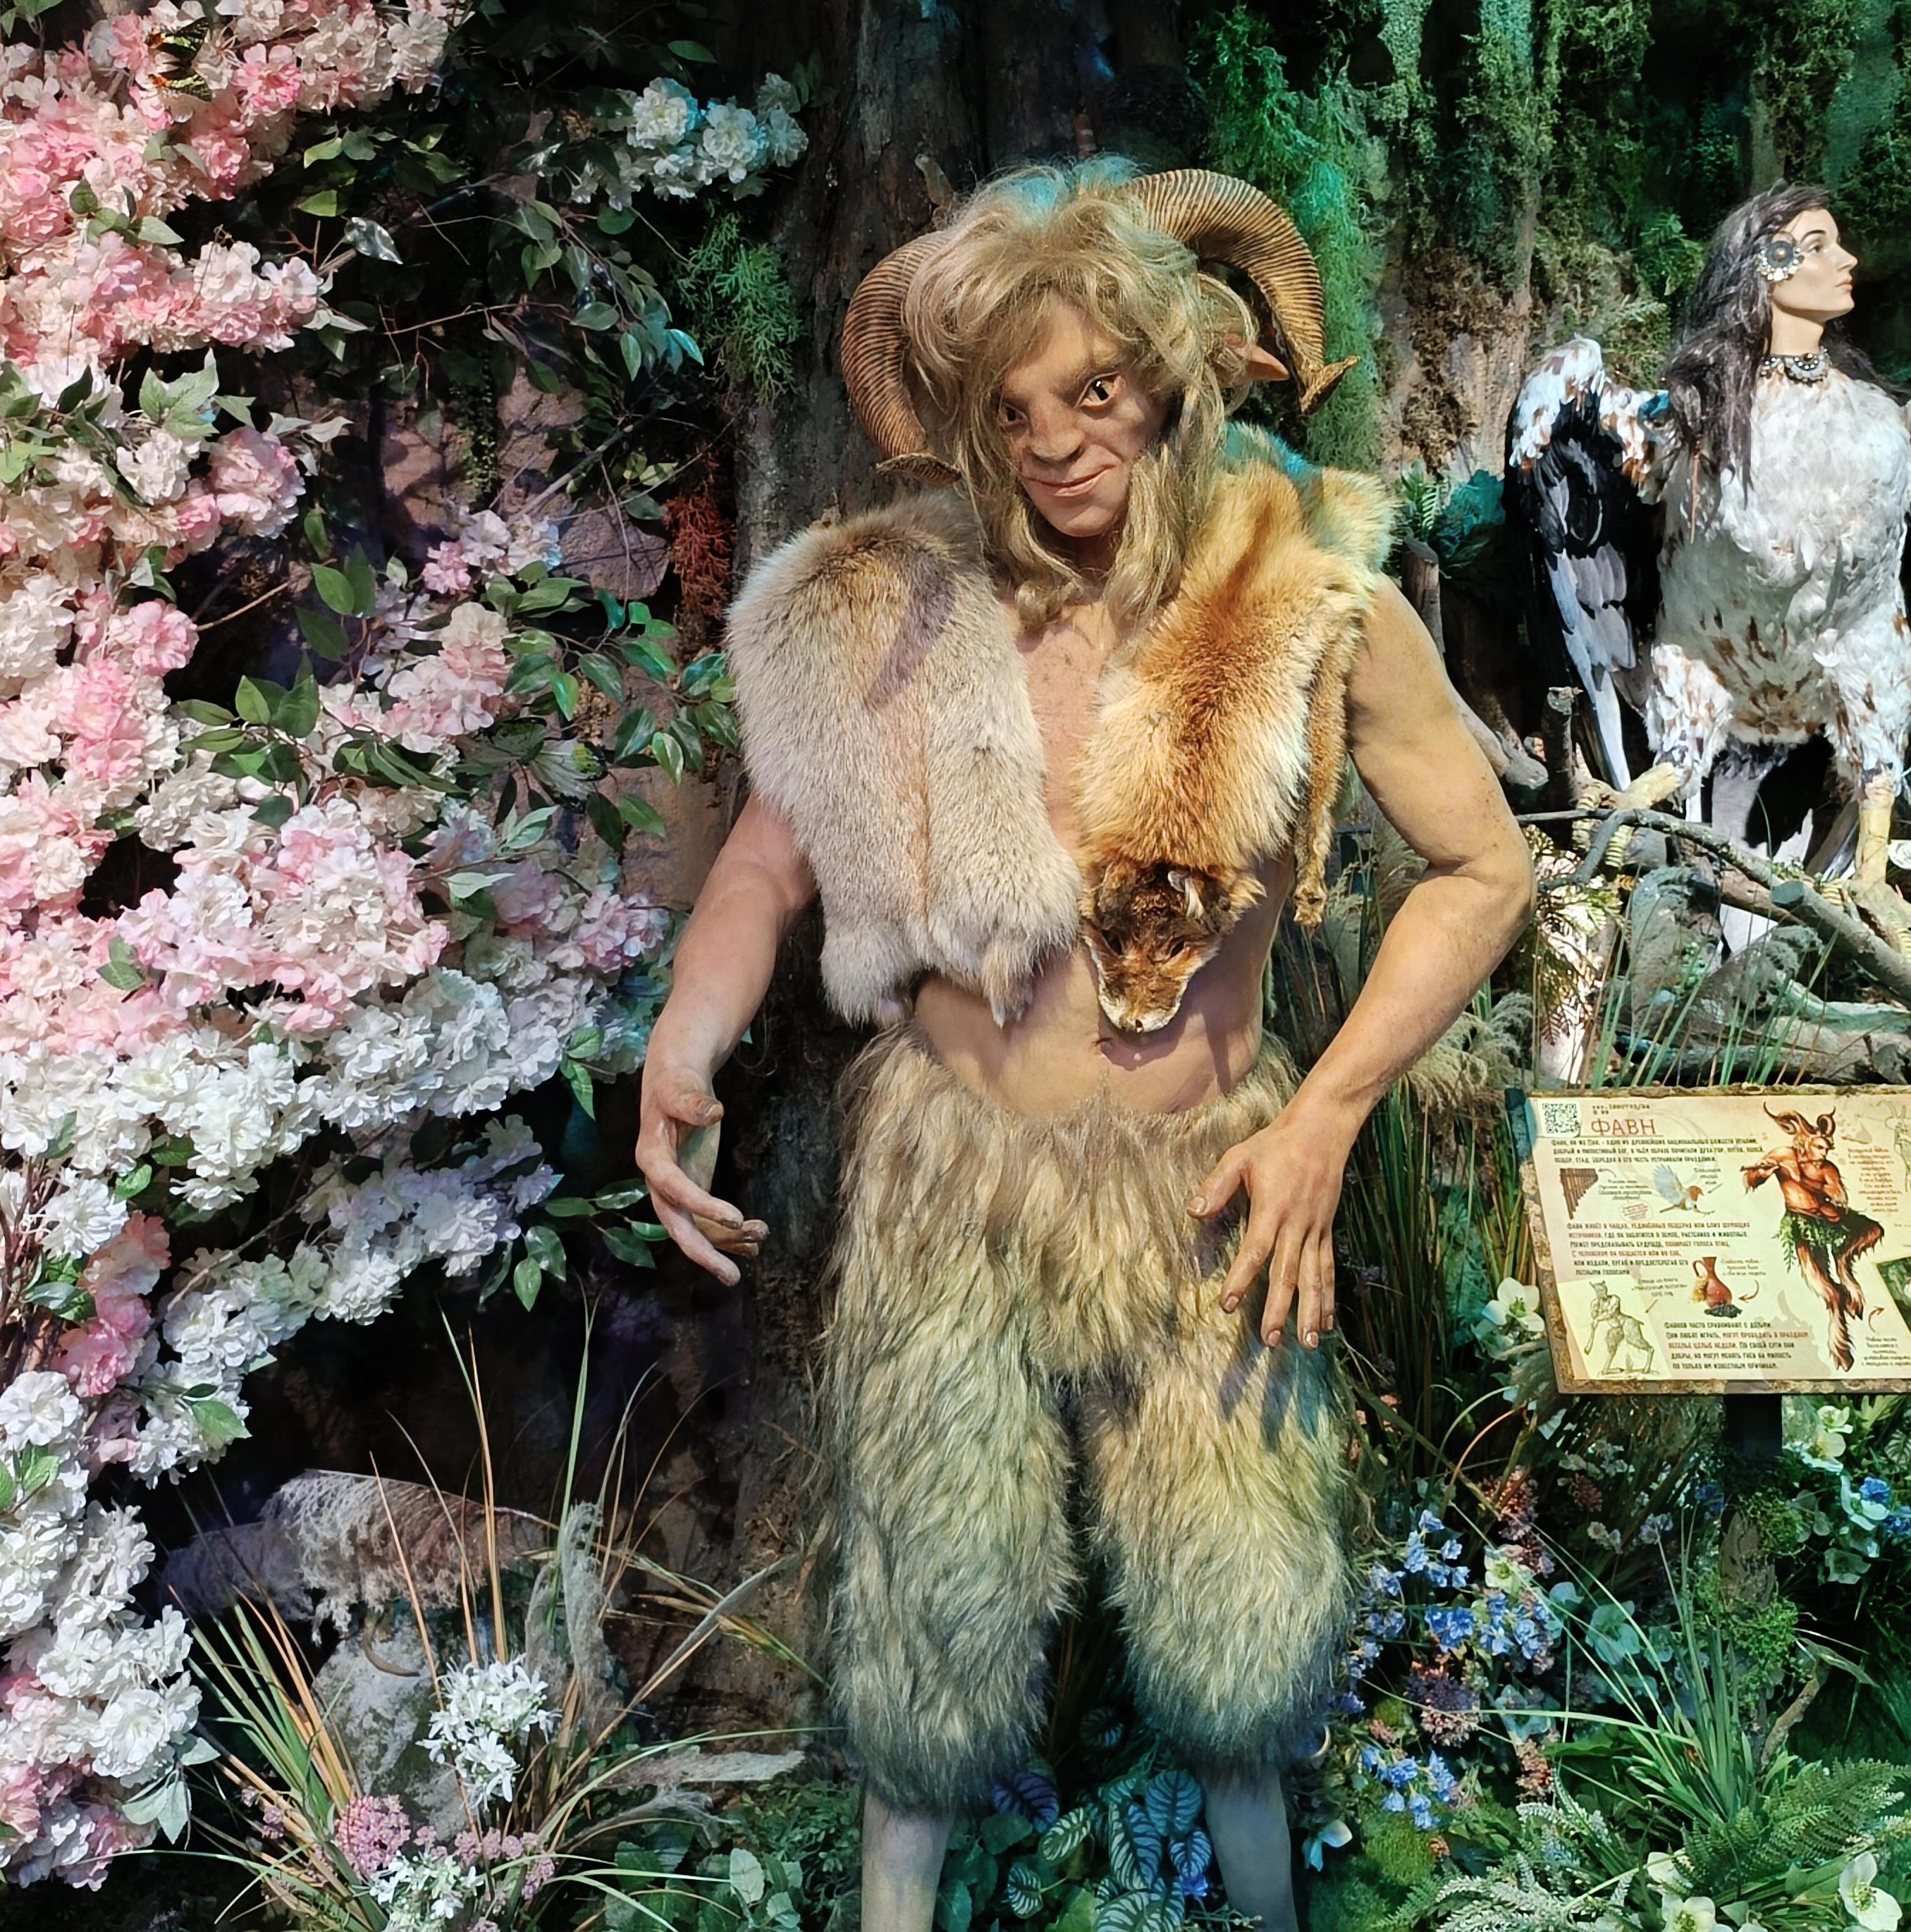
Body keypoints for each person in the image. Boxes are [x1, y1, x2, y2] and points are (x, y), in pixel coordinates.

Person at [633, 162, 1534, 1932]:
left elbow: (1484, 868)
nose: (1054, 444)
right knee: (931, 1606)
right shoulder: (888, 613)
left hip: (1211, 1184)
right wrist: (690, 1030)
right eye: (1011, 408)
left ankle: (1266, 1912)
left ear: (1173, 372)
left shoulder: (1299, 592)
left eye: (1093, 391)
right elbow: (764, 861)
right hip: (951, 1182)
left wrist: (1327, 1117)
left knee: (1238, 1604)